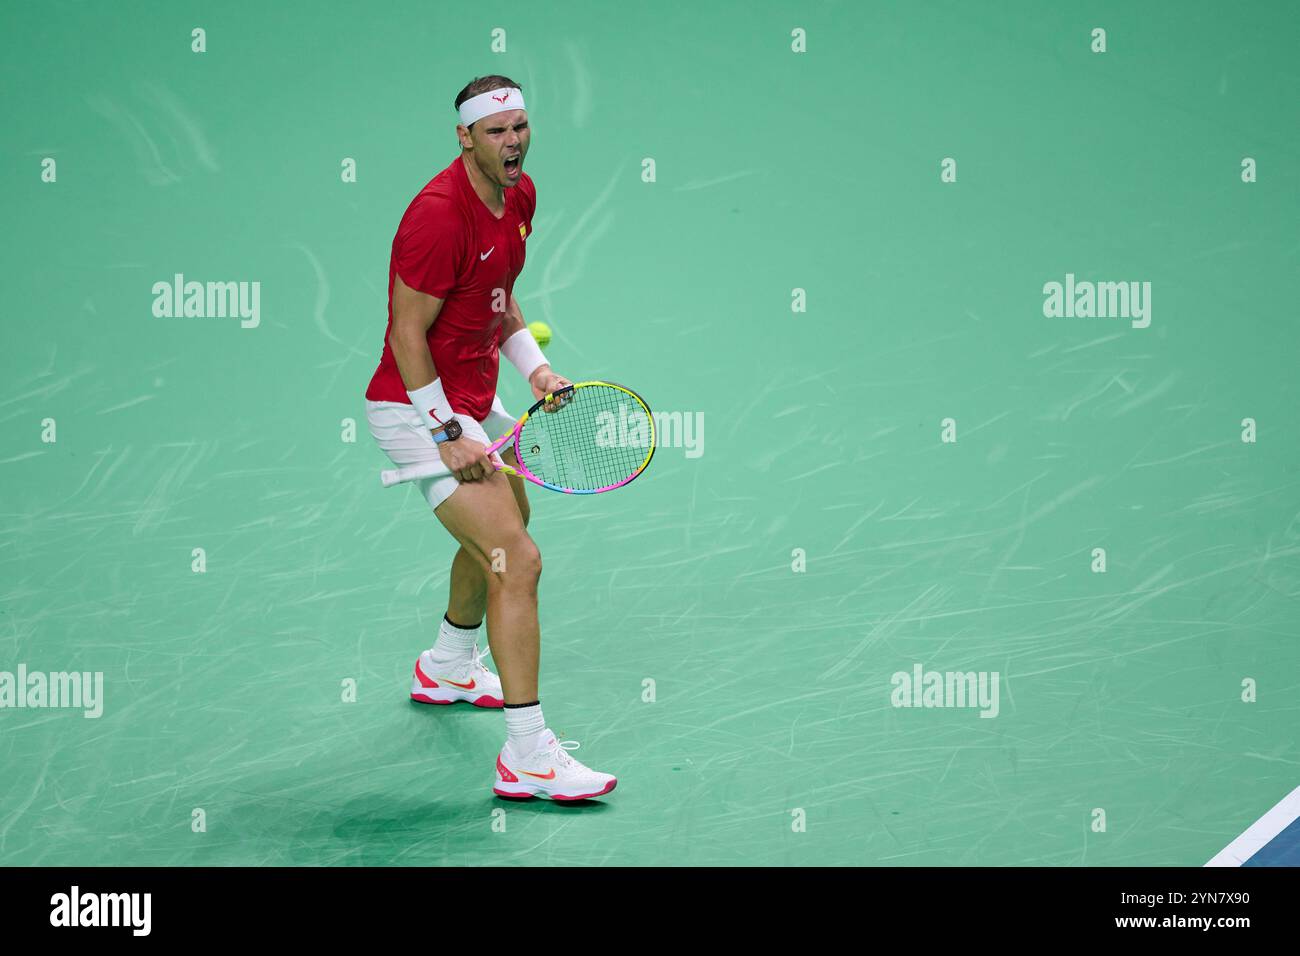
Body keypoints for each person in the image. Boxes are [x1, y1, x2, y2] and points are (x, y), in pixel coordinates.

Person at [364, 75, 616, 801]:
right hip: (416, 408)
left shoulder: (521, 198)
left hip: (470, 398)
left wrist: (535, 370)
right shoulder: (438, 218)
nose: (513, 142)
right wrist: (444, 431)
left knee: (508, 534)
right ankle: (528, 755)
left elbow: (500, 303)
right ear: (465, 137)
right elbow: (406, 333)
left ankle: (446, 666)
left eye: (521, 127)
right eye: (497, 131)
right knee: (519, 561)